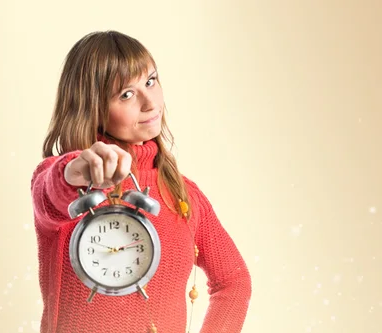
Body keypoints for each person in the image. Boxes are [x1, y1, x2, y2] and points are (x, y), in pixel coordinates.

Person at [30, 30, 252, 333]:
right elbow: (52, 193)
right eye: (126, 94)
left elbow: (234, 281)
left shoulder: (184, 194)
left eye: (151, 81)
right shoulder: (63, 180)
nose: (150, 103)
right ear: (91, 108)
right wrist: (76, 173)